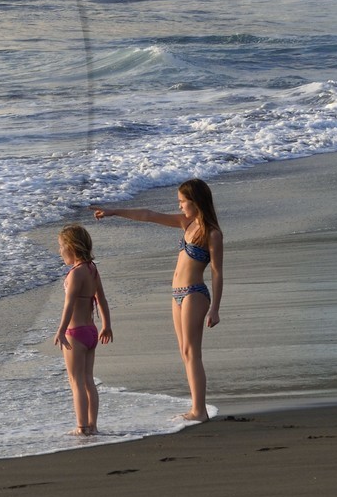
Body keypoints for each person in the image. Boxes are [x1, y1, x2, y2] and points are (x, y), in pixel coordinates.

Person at [93, 178, 223, 422]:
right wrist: (114, 212)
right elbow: (147, 215)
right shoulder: (187, 223)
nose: (180, 206)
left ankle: (199, 410)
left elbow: (217, 272)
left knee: (191, 352)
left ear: (196, 202)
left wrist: (215, 308)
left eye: (183, 202)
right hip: (176, 295)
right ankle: (196, 406)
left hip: (195, 293)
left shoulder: (212, 233)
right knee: (184, 352)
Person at [52, 223, 113, 436]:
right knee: (88, 379)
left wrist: (60, 330)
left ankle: (82, 426)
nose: (60, 252)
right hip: (91, 332)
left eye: (61, 247)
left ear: (72, 247)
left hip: (75, 333)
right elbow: (102, 299)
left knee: (76, 381)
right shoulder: (92, 269)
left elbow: (68, 305)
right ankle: (93, 425)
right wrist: (106, 325)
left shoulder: (75, 273)